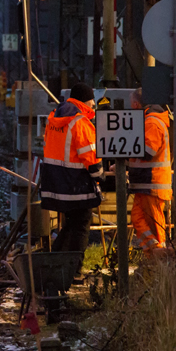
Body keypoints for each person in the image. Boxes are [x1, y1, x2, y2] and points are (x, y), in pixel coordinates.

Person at [40, 82, 102, 255]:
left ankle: (56, 263)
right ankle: (72, 268)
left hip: (55, 183)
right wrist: (101, 175)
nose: (93, 106)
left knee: (72, 224)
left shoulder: (54, 117)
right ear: (85, 101)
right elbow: (90, 156)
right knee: (81, 226)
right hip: (76, 185)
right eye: (92, 102)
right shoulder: (81, 122)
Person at [128, 88, 171, 251]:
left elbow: (147, 151)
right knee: (138, 218)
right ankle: (154, 253)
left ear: (135, 104)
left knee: (154, 226)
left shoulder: (151, 122)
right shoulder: (150, 121)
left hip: (152, 183)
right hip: (145, 183)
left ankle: (161, 262)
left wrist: (123, 151)